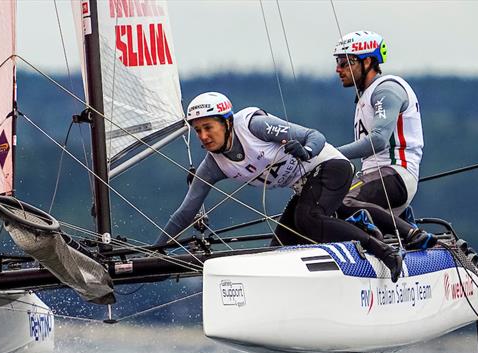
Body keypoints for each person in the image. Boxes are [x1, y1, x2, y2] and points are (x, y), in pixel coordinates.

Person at [154, 92, 403, 282]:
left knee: (309, 219)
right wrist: (158, 251)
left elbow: (314, 136)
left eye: (208, 128)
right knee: (275, 255)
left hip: (332, 167)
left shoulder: (253, 126)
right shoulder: (212, 166)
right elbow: (185, 212)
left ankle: (383, 251)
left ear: (227, 122)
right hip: (306, 187)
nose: (203, 136)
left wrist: (306, 151)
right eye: (198, 131)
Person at [333, 31, 435, 250]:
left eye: (344, 62)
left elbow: (378, 140)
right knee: (321, 203)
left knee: (339, 201)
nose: (338, 69)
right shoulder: (365, 95)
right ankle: (397, 223)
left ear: (367, 61)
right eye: (337, 62)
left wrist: (330, 154)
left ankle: (411, 233)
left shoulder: (386, 89)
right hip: (376, 176)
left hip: (395, 174)